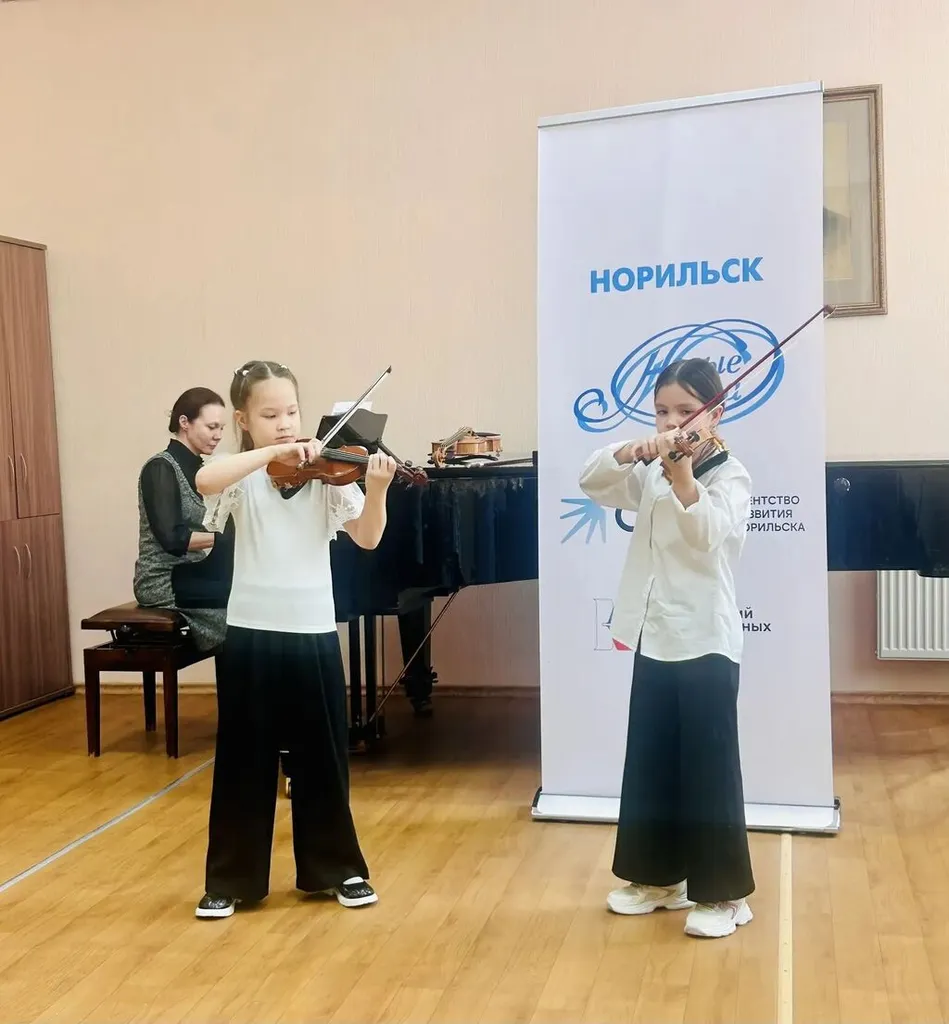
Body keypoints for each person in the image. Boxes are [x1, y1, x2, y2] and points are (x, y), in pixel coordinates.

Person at [193, 359, 397, 920]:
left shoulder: (327, 475)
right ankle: (231, 879)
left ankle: (339, 868)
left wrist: (377, 489)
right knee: (243, 759)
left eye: (291, 412)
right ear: (243, 420)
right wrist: (271, 454)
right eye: (270, 415)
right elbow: (204, 480)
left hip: (311, 629)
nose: (285, 424)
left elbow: (368, 538)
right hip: (250, 631)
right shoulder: (242, 475)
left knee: (323, 758)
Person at [578, 357, 755, 940]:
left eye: (686, 410)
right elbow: (592, 481)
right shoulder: (652, 470)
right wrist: (633, 450)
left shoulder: (731, 476)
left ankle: (724, 896)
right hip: (654, 633)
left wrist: (682, 478)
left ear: (715, 413)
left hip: (706, 637)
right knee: (652, 760)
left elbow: (706, 536)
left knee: (708, 769)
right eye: (662, 411)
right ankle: (659, 881)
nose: (673, 422)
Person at [133, 387, 235, 652]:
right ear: (184, 422)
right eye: (211, 427)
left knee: (249, 596)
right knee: (238, 611)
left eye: (221, 428)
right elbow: (173, 539)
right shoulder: (160, 467)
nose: (218, 435)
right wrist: (227, 539)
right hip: (163, 580)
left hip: (195, 573)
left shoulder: (204, 470)